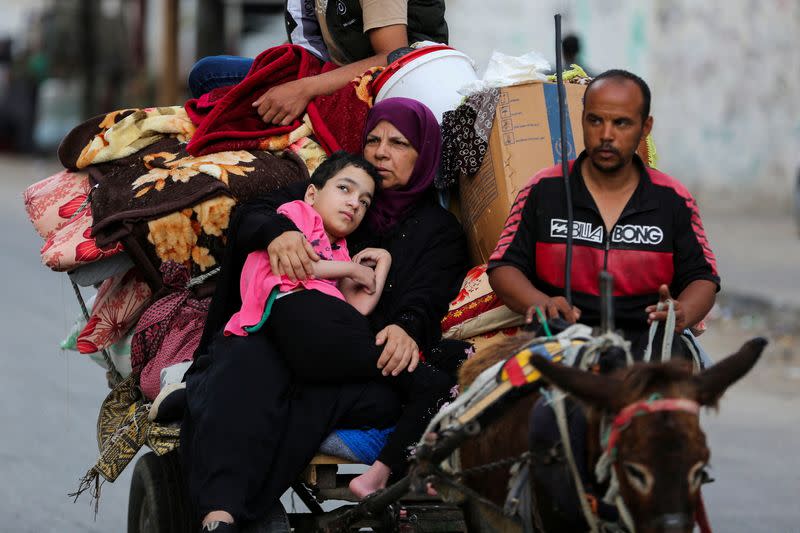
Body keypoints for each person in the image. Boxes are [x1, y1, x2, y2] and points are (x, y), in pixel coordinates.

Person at [182, 97, 468, 532]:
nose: (380, 152)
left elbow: (427, 295)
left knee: (332, 391)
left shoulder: (439, 230)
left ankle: (252, 506)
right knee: (245, 370)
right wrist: (279, 234)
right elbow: (253, 214)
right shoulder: (328, 191)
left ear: (425, 152)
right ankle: (221, 515)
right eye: (373, 139)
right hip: (281, 334)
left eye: (398, 142)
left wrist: (404, 327)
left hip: (355, 355)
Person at [487, 69, 720, 528]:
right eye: (595, 121)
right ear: (582, 120)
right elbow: (503, 267)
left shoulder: (672, 199)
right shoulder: (544, 188)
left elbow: (703, 278)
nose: (606, 135)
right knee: (546, 424)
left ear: (645, 128)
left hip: (649, 342)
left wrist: (683, 311)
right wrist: (538, 300)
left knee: (664, 435)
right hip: (564, 337)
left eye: (622, 124)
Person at [188, 0, 447, 126]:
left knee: (210, 79)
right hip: (337, 71)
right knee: (208, 74)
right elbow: (309, 41)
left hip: (389, 88)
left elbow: (394, 58)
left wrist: (303, 89)